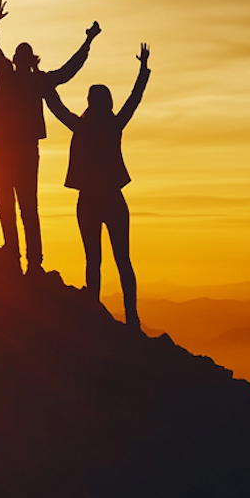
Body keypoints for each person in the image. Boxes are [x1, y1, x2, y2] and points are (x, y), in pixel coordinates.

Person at [0, 0, 100, 276]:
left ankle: (30, 263)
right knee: (15, 205)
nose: (18, 59)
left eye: (22, 56)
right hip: (10, 147)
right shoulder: (20, 76)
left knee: (23, 206)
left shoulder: (25, 77)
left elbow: (69, 70)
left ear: (29, 60)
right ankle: (20, 259)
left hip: (17, 148)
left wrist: (88, 42)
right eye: (18, 55)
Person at [47, 43, 151, 328]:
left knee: (93, 260)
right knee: (123, 260)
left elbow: (57, 108)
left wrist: (43, 84)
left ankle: (94, 313)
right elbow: (134, 99)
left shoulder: (82, 126)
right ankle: (132, 317)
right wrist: (142, 70)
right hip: (114, 200)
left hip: (89, 201)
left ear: (91, 102)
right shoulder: (113, 124)